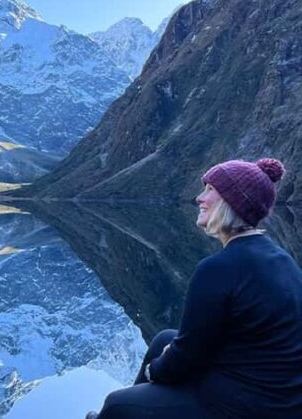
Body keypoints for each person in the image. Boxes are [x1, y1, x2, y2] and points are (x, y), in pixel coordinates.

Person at [86, 158, 302, 419]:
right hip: (279, 396)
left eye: (210, 190)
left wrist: (154, 370)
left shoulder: (218, 268)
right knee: (164, 338)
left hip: (247, 405)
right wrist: (167, 359)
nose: (200, 198)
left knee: (118, 404)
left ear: (232, 202)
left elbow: (187, 355)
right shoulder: (279, 258)